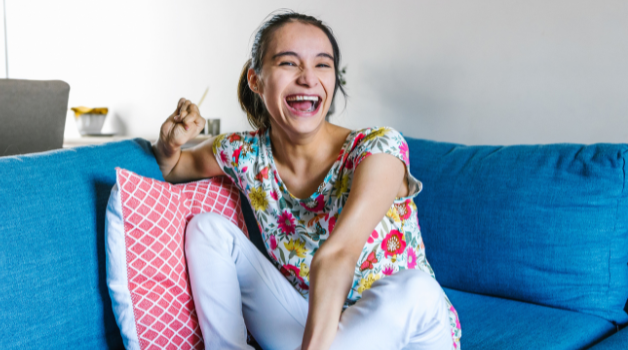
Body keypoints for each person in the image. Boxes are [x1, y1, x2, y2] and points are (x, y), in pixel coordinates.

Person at [152, 11, 461, 350]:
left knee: (419, 290)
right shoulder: (244, 153)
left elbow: (338, 254)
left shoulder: (378, 148)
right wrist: (171, 142)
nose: (308, 78)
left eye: (322, 65)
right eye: (289, 63)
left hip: (403, 333)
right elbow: (174, 166)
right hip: (313, 324)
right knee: (206, 229)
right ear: (256, 81)